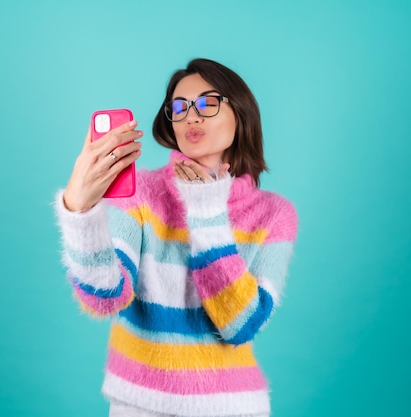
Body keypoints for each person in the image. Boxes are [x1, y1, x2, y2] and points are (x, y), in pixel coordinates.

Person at [54, 58, 298, 417]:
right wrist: (80, 210)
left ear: (241, 113)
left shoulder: (273, 214)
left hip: (232, 407)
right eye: (179, 108)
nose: (191, 116)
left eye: (208, 103)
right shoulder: (143, 194)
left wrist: (206, 212)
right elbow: (103, 297)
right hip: (140, 405)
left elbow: (241, 324)